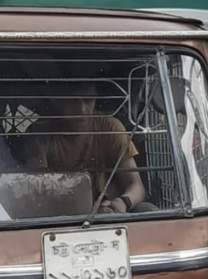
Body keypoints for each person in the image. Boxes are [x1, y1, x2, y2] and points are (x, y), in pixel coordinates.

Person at [18, 82, 150, 214]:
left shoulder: (110, 128)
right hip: (60, 213)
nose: (81, 110)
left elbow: (137, 186)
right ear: (58, 102)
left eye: (88, 101)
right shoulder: (40, 134)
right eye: (72, 102)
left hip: (107, 210)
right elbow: (39, 193)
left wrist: (122, 202)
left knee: (148, 210)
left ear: (96, 99)